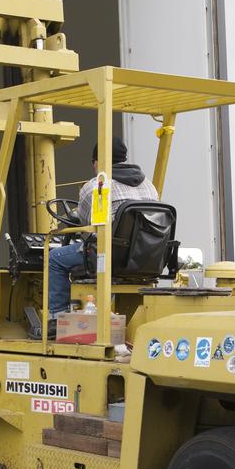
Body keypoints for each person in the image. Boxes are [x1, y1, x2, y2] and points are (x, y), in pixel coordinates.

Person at [41, 138, 159, 334]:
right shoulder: (149, 186)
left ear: (97, 161)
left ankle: (55, 319)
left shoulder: (96, 186)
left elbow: (86, 226)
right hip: (145, 259)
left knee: (54, 258)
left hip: (111, 256)